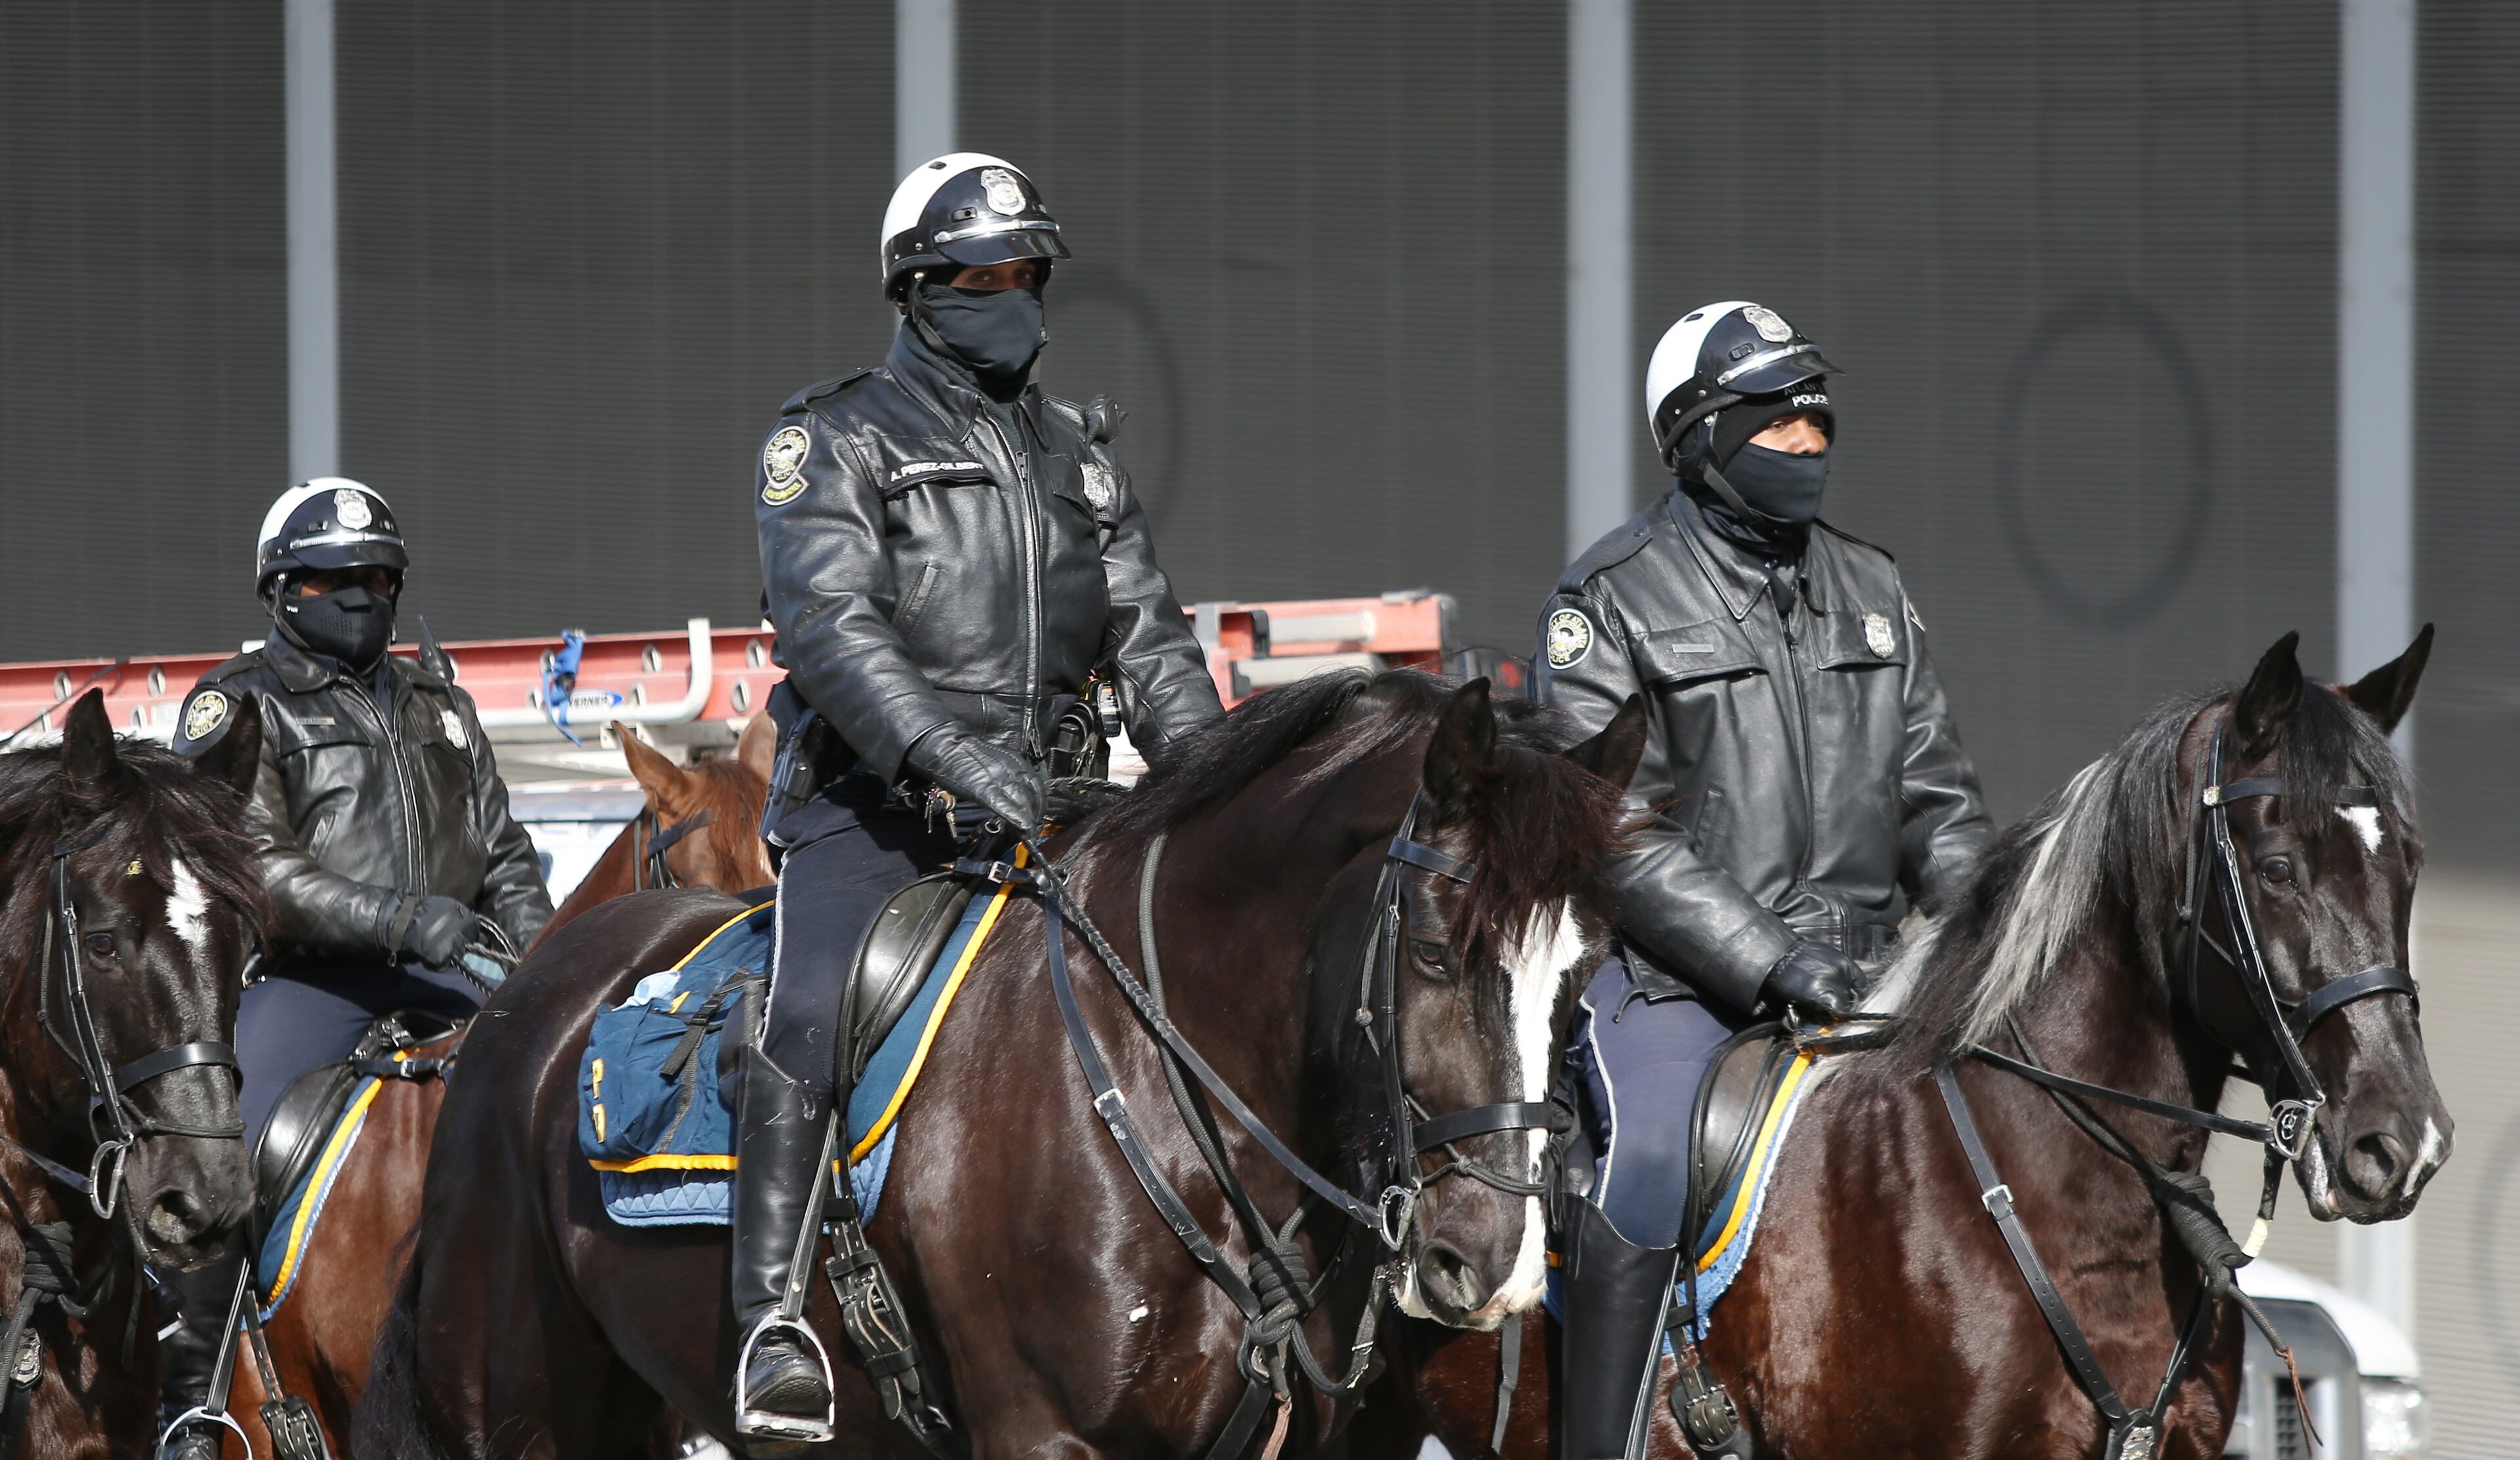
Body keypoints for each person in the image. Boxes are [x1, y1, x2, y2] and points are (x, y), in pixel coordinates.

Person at [735, 152, 1223, 1441]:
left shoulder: (1081, 460)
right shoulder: (832, 439)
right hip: (880, 819)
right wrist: (949, 759)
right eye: (975, 278)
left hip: (1065, 812)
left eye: (1024, 274)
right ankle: (771, 1318)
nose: (1007, 297)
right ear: (916, 288)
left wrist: (1217, 790)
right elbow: (834, 636)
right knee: (810, 1008)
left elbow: (1157, 648)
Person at [1533, 302, 1992, 1459]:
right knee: (1640, 1159)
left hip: (1880, 975)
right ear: (1696, 437)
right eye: (1774, 418)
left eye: (1815, 413)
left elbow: (1938, 802)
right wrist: (1772, 959)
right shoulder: (1613, 598)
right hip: (1682, 986)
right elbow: (1607, 829)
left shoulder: (1876, 591)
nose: (1807, 438)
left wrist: (1992, 939)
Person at [159, 478, 553, 1459]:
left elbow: (505, 857)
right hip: (312, 982)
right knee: (220, 1148)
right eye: (335, 578)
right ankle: (191, 1397)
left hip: (455, 968)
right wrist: (402, 920)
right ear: (284, 589)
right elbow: (257, 864)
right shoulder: (235, 703)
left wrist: (549, 967)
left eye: (379, 575)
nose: (361, 592)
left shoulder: (443, 702)